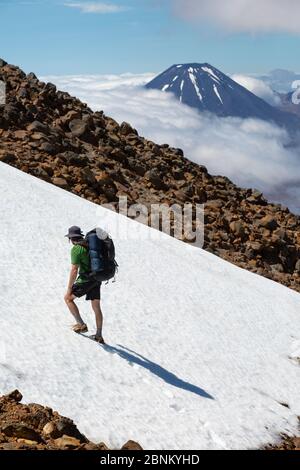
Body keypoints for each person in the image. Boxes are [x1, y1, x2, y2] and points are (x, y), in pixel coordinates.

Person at [64, 226, 105, 344]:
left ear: (71, 239)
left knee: (68, 298)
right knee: (96, 306)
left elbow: (74, 270)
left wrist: (69, 288)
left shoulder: (77, 249)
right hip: (97, 278)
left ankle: (81, 324)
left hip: (85, 280)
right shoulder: (90, 245)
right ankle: (99, 335)